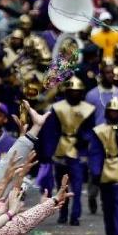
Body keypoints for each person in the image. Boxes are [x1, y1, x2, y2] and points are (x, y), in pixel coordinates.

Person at [43, 77, 95, 225]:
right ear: (67, 92)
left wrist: (84, 139)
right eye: (72, 91)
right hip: (61, 148)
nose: (74, 94)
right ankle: (63, 213)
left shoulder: (88, 108)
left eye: (77, 92)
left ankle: (75, 215)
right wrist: (49, 152)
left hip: (78, 151)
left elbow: (90, 129)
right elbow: (51, 131)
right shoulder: (58, 107)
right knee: (62, 185)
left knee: (77, 185)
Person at [88, 98, 118, 235]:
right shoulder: (99, 130)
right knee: (107, 206)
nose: (114, 114)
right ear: (107, 113)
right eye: (111, 112)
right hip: (105, 170)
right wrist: (95, 172)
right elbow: (95, 153)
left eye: (117, 112)